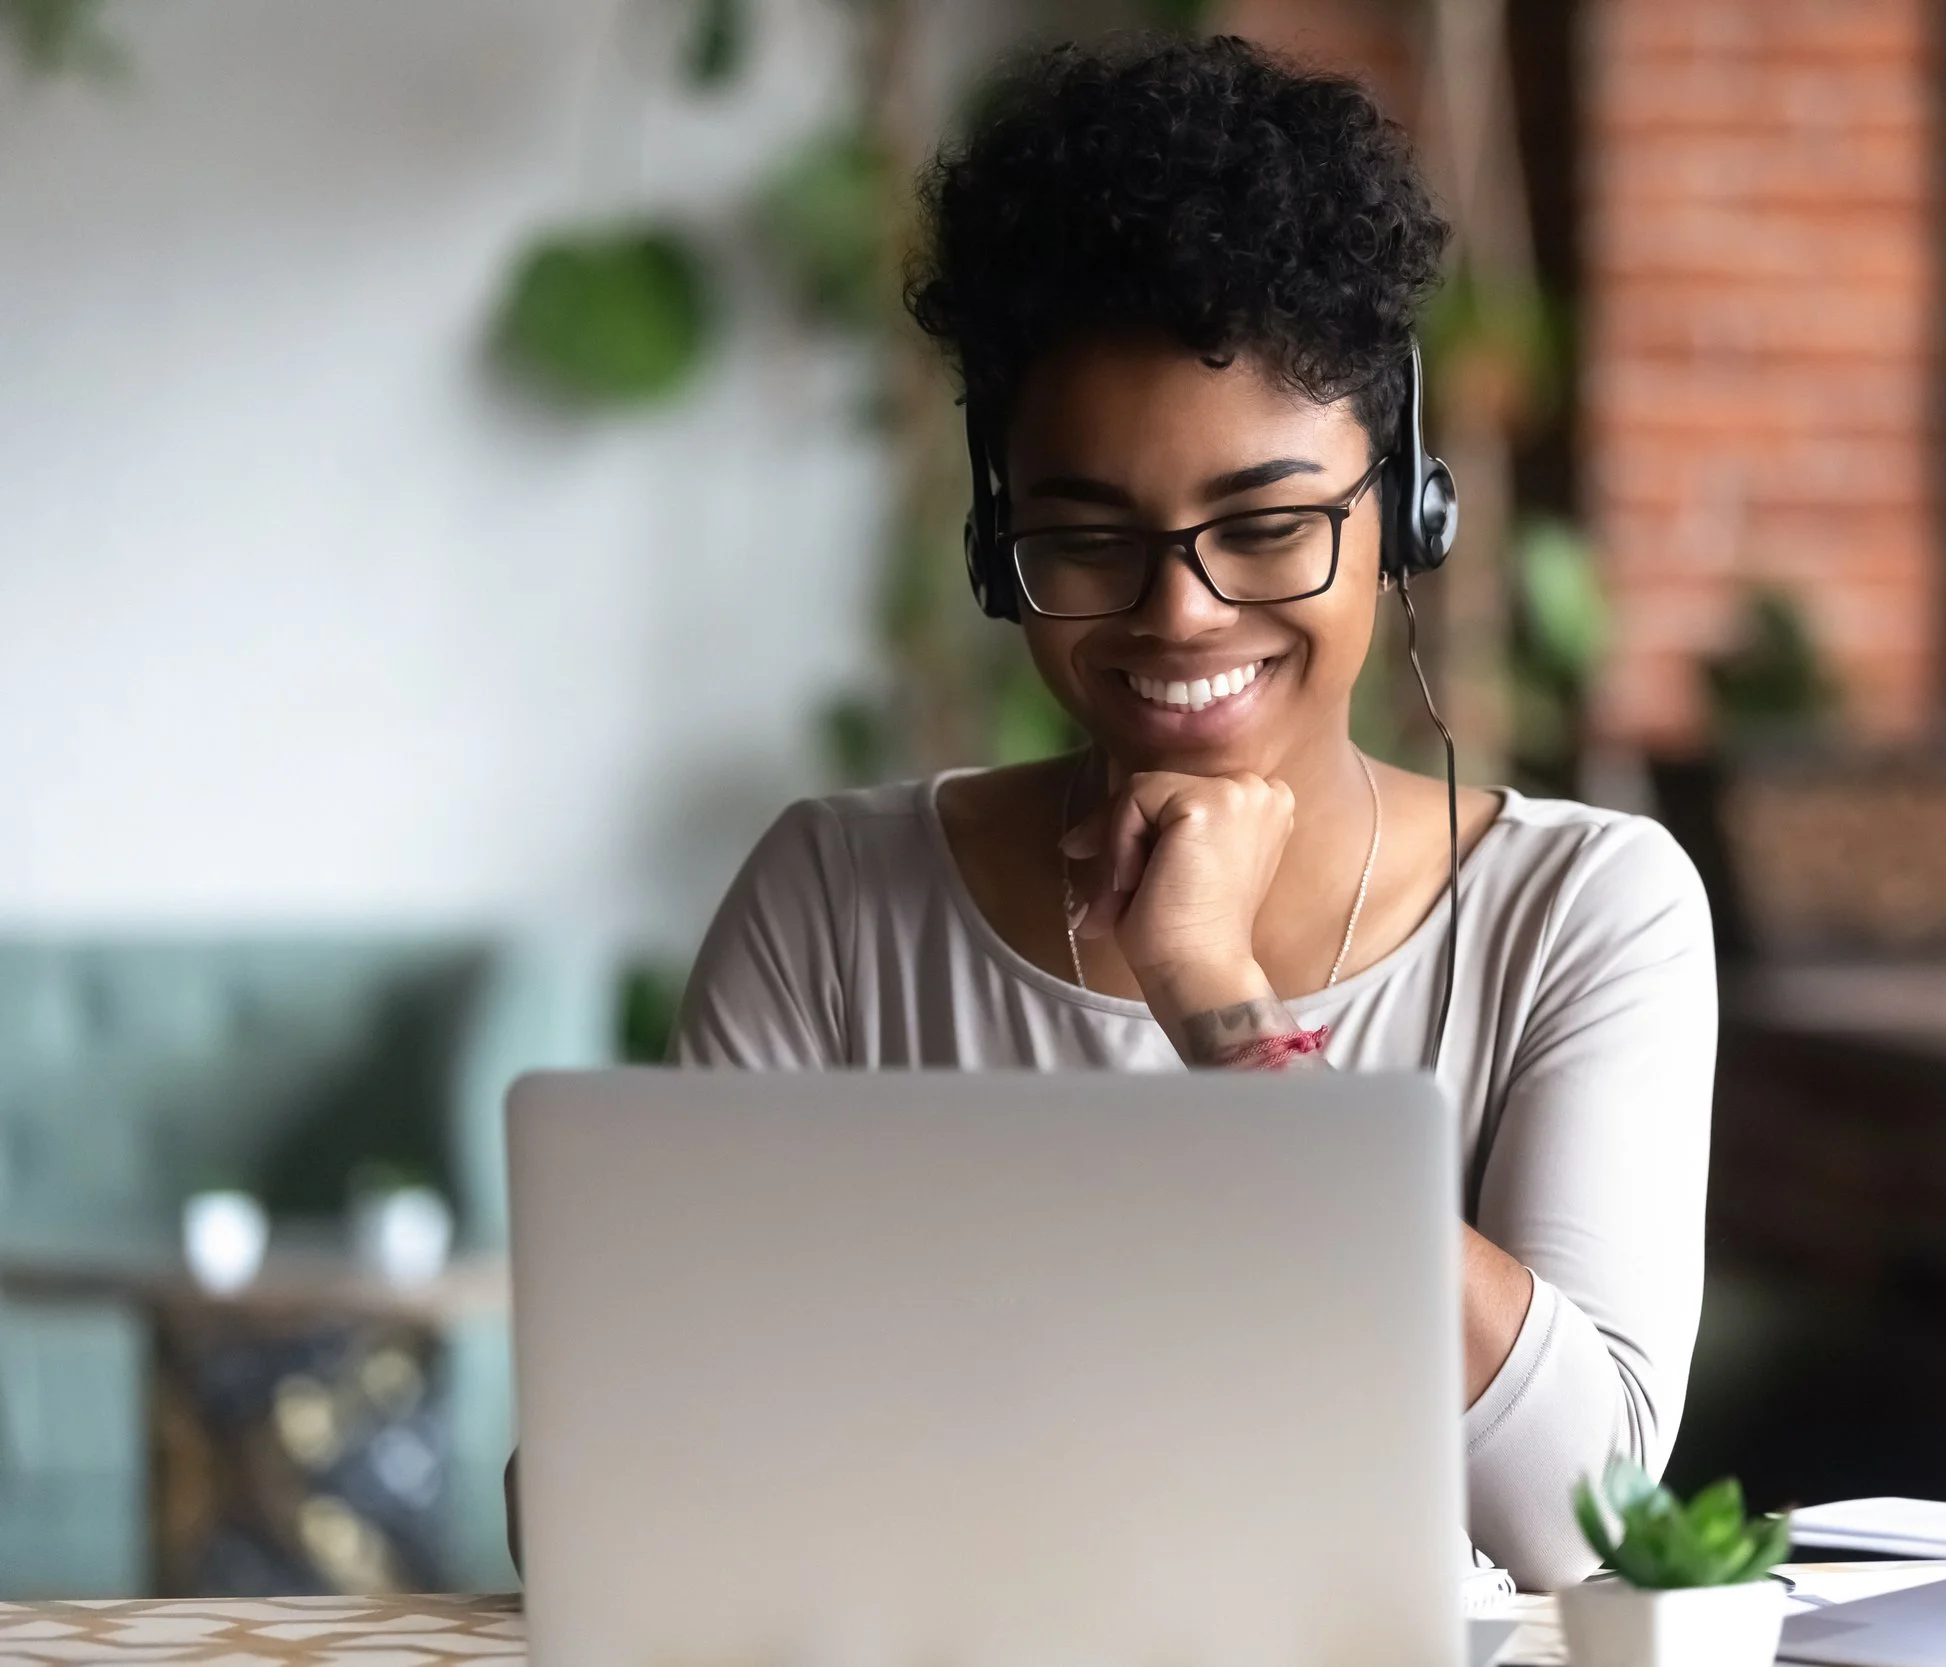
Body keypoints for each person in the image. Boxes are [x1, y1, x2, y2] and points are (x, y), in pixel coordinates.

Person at [668, 34, 1714, 1591]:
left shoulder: (1583, 909)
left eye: (1268, 525)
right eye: (1088, 539)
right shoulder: (835, 899)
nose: (1179, 613)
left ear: (1406, 510)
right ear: (994, 540)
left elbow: (1591, 1518)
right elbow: (616, 1493)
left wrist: (1222, 1003)